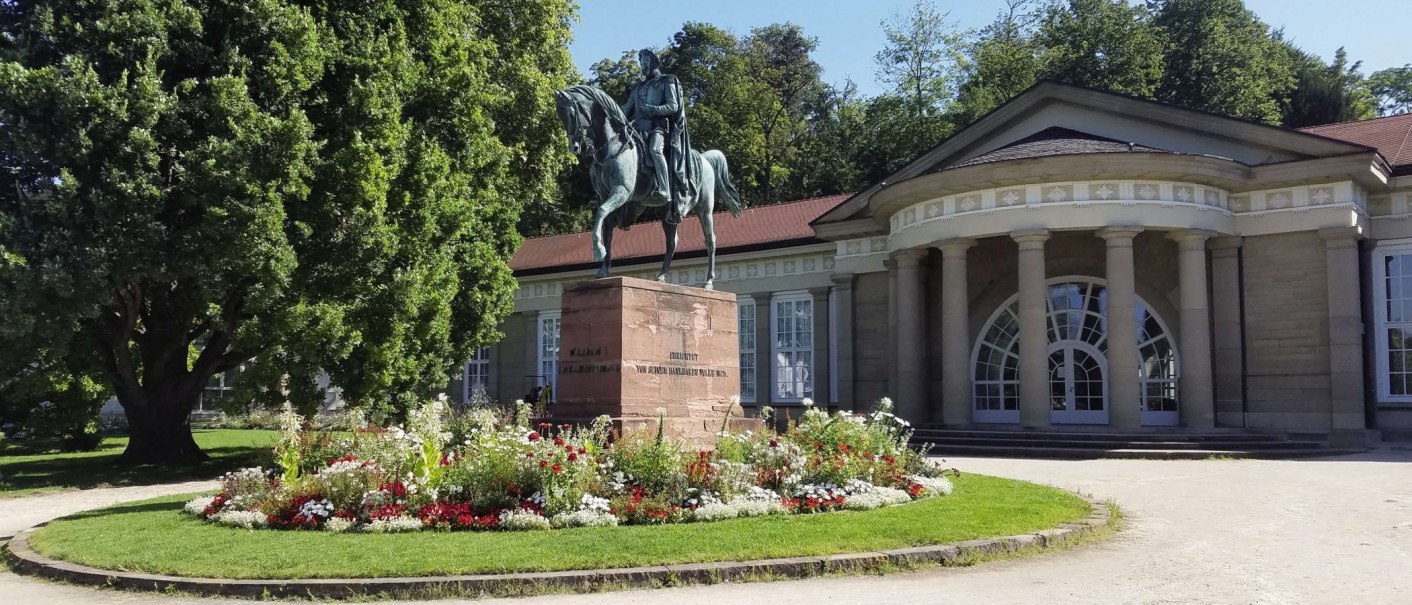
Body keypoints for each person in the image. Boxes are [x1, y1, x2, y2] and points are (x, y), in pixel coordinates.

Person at [621, 48, 693, 223]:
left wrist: (653, 110)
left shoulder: (666, 81)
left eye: (645, 61)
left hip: (658, 127)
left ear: (653, 61)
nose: (642, 65)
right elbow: (625, 111)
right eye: (641, 62)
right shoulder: (637, 87)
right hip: (637, 128)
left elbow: (673, 106)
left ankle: (664, 189)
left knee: (655, 149)